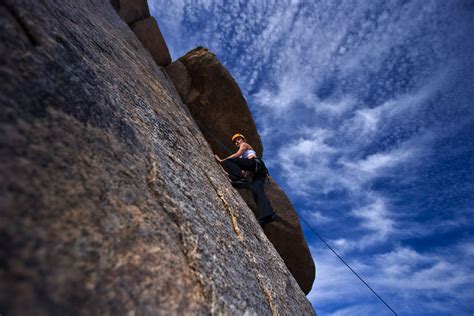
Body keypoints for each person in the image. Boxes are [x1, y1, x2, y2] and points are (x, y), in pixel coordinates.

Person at [214, 133, 277, 225]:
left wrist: (222, 161)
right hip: (259, 173)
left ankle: (241, 181)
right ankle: (268, 215)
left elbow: (238, 153)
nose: (237, 142)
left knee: (229, 161)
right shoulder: (242, 158)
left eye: (238, 139)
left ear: (243, 140)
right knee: (256, 190)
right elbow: (243, 173)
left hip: (256, 165)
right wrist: (227, 174)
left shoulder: (245, 145)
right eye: (235, 141)